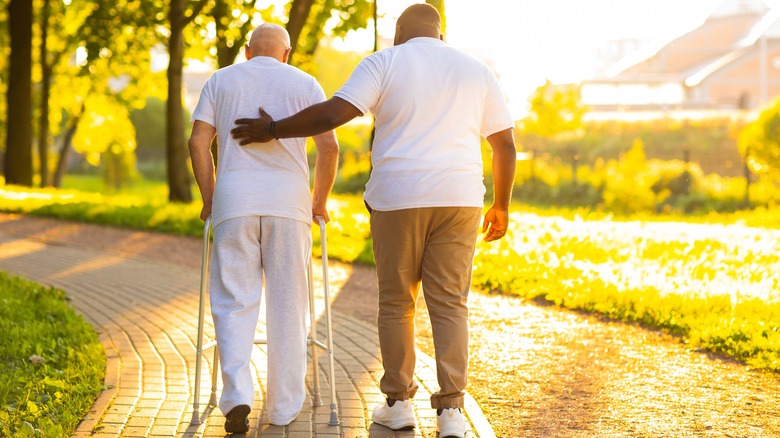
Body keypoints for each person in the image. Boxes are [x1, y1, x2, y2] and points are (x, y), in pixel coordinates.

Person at [229, 4, 515, 437]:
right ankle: (452, 412)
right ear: (440, 34)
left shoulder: (384, 62)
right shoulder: (477, 71)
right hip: (459, 200)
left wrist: (272, 130)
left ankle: (398, 404)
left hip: (398, 197)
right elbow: (504, 144)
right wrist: (502, 205)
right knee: (450, 303)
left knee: (397, 301)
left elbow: (332, 114)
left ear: (398, 31)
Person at [187, 23, 339, 433]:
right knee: (288, 304)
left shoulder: (221, 80)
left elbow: (198, 142)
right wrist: (319, 202)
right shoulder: (305, 83)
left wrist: (210, 198)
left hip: (234, 202)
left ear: (248, 51)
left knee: (234, 301)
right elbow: (329, 147)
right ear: (287, 53)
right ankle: (284, 407)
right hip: (288, 205)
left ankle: (237, 396)